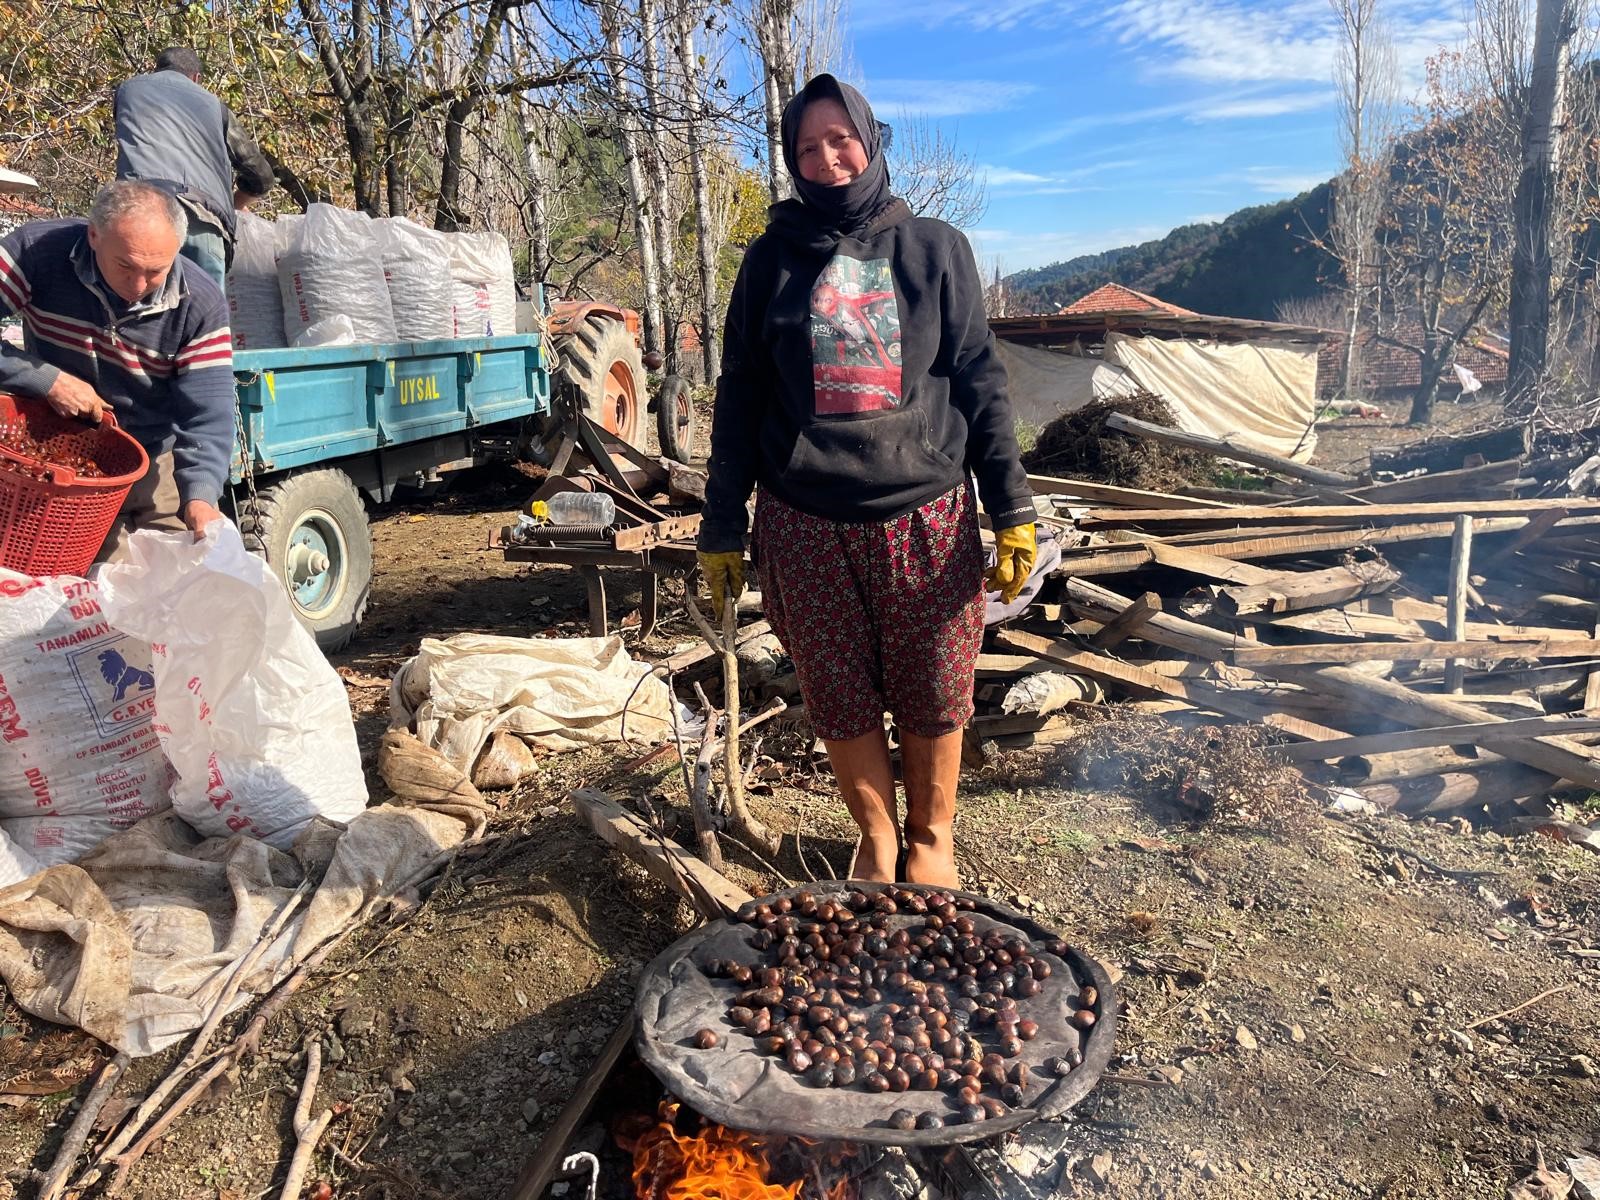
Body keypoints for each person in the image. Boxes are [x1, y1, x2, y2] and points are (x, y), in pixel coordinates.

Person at [696, 74, 1037, 888]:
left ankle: (933, 839)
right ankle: (878, 838)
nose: (828, 159)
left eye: (840, 139)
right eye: (808, 148)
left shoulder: (935, 250)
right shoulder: (770, 261)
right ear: (792, 160)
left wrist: (1012, 506)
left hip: (923, 516)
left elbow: (980, 383)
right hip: (802, 522)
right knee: (837, 693)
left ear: (871, 140)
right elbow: (739, 398)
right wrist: (720, 526)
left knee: (934, 684)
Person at [0, 179, 234, 556]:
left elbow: (208, 414)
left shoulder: (201, 304)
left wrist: (202, 497)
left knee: (175, 583)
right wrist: (45, 379)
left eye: (156, 271)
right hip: (50, 458)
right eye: (125, 265)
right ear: (94, 236)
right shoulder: (35, 252)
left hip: (151, 456)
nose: (138, 284)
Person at [113, 47, 277, 291]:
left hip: (140, 215)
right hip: (202, 222)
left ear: (156, 69)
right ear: (196, 78)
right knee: (206, 321)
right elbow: (261, 175)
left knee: (136, 319)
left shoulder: (128, 90)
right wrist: (236, 202)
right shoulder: (215, 106)